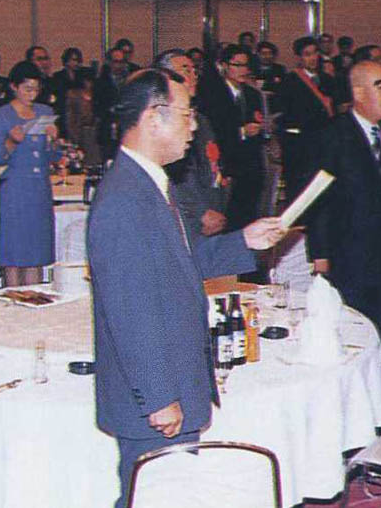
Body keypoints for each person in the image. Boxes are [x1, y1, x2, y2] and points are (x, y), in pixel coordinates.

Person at [87, 69, 285, 508]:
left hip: (174, 381)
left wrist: (244, 241)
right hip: (154, 400)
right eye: (186, 114)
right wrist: (159, 397)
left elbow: (178, 262)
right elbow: (130, 311)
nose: (194, 126)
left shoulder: (149, 181)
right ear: (153, 117)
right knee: (154, 496)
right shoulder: (124, 199)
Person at [308, 61, 381, 361]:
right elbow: (318, 198)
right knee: (356, 329)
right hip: (350, 251)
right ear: (359, 93)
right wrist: (320, 254)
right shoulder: (334, 135)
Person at [0, 61, 58, 286]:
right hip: (15, 192)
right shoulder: (0, 116)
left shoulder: (45, 112)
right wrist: (11, 142)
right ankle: (12, 300)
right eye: (27, 89)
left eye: (36, 89)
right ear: (13, 87)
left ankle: (34, 301)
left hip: (40, 191)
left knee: (36, 255)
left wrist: (53, 140)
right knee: (14, 256)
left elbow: (52, 157)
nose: (32, 94)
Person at [154, 49, 227, 238]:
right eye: (186, 70)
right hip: (188, 214)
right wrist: (200, 211)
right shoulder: (164, 122)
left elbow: (211, 164)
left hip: (211, 204)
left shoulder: (201, 119)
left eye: (195, 70)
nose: (194, 76)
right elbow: (175, 174)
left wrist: (217, 202)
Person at [198, 44, 265, 230]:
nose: (243, 70)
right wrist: (241, 132)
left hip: (250, 165)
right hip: (226, 164)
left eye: (246, 65)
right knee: (227, 218)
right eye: (238, 65)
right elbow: (212, 130)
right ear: (225, 66)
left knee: (248, 216)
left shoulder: (253, 94)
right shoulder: (211, 94)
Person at [276, 36, 335, 201]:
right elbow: (283, 113)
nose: (313, 58)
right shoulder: (289, 81)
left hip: (323, 142)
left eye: (315, 53)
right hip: (300, 144)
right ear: (299, 57)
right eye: (307, 54)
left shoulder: (328, 80)